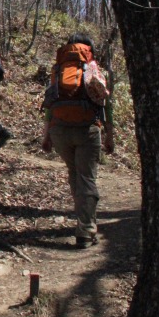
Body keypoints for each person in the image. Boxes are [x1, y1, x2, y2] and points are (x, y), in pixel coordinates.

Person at [41, 33, 115, 249]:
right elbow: (105, 104)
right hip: (87, 130)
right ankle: (86, 229)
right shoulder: (91, 67)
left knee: (75, 174)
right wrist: (110, 135)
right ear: (88, 48)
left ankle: (82, 220)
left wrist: (46, 136)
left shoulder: (58, 70)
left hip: (60, 131)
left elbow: (49, 104)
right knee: (87, 178)